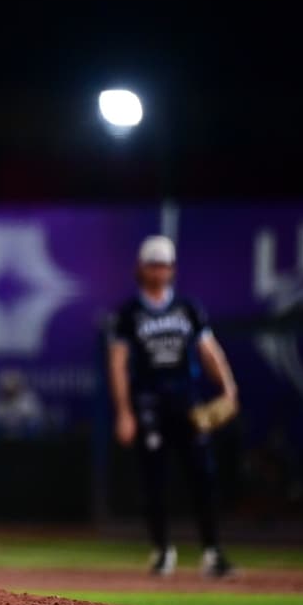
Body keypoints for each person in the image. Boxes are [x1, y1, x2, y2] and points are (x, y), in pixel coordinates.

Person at [107, 234, 240, 579]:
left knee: (203, 476)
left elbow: (208, 350)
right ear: (141, 268)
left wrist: (228, 386)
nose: (158, 271)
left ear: (172, 269)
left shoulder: (188, 309)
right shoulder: (129, 314)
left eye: (164, 264)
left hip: (186, 401)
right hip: (149, 402)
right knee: (153, 480)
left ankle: (212, 552)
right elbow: (118, 364)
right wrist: (124, 412)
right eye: (152, 264)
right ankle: (163, 550)